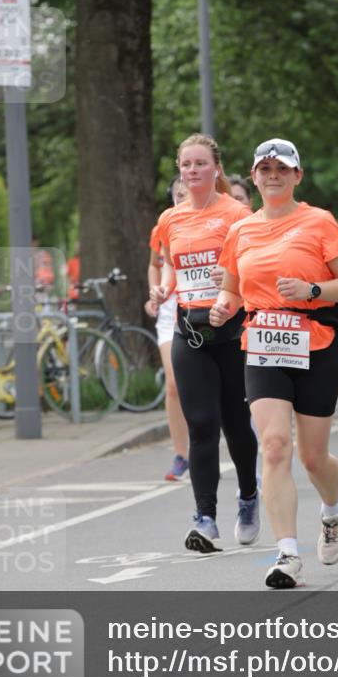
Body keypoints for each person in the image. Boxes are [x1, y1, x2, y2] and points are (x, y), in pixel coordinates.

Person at [210, 138, 338, 589]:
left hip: (314, 343)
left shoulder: (319, 222)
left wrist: (312, 291)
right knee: (274, 446)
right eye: (264, 168)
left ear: (297, 175)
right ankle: (288, 554)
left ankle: (333, 508)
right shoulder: (241, 231)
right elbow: (233, 289)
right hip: (263, 344)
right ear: (253, 177)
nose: (272, 175)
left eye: (282, 168)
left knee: (313, 459)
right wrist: (222, 306)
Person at [150, 134, 259, 551]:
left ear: (217, 169)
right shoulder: (170, 219)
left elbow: (254, 269)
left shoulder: (238, 214)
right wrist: (163, 289)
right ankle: (206, 518)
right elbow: (169, 268)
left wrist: (230, 279)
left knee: (236, 425)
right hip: (189, 331)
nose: (192, 171)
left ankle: (248, 496)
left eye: (200, 164)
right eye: (185, 164)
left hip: (231, 332)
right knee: (201, 428)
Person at [146, 175, 190, 480]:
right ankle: (181, 455)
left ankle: (204, 444)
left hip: (202, 307)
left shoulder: (213, 224)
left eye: (187, 193)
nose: (182, 198)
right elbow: (155, 264)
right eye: (178, 194)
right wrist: (155, 292)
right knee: (174, 385)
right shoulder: (163, 226)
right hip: (171, 311)